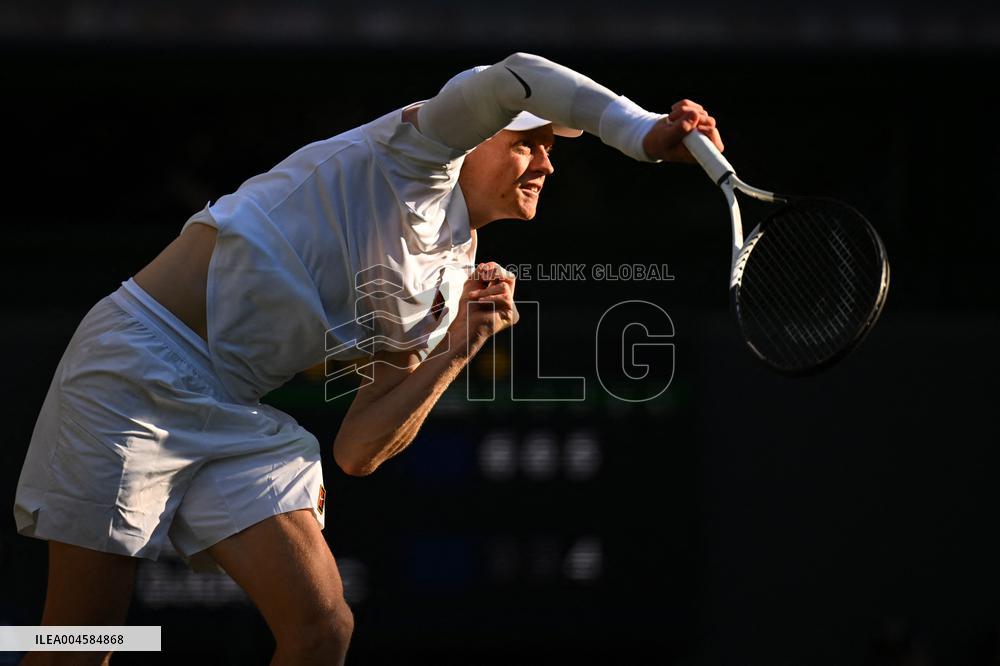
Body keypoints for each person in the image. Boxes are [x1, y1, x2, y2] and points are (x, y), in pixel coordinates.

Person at [14, 52, 722, 665]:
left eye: (551, 152)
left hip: (233, 409)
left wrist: (457, 349)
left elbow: (358, 448)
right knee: (79, 642)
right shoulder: (413, 156)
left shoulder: (446, 284)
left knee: (323, 631)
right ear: (471, 139)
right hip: (138, 368)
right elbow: (520, 76)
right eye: (527, 144)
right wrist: (640, 132)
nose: (544, 162)